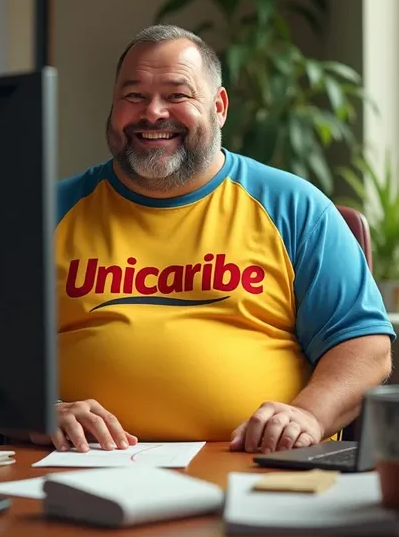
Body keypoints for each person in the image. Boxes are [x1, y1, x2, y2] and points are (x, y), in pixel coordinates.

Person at [36, 24, 395, 455]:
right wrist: (38, 411)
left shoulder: (295, 208)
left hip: (256, 469)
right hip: (77, 468)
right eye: (133, 96)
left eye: (177, 95)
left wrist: (309, 416)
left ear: (219, 107)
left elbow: (365, 347)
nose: (152, 113)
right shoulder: (47, 215)